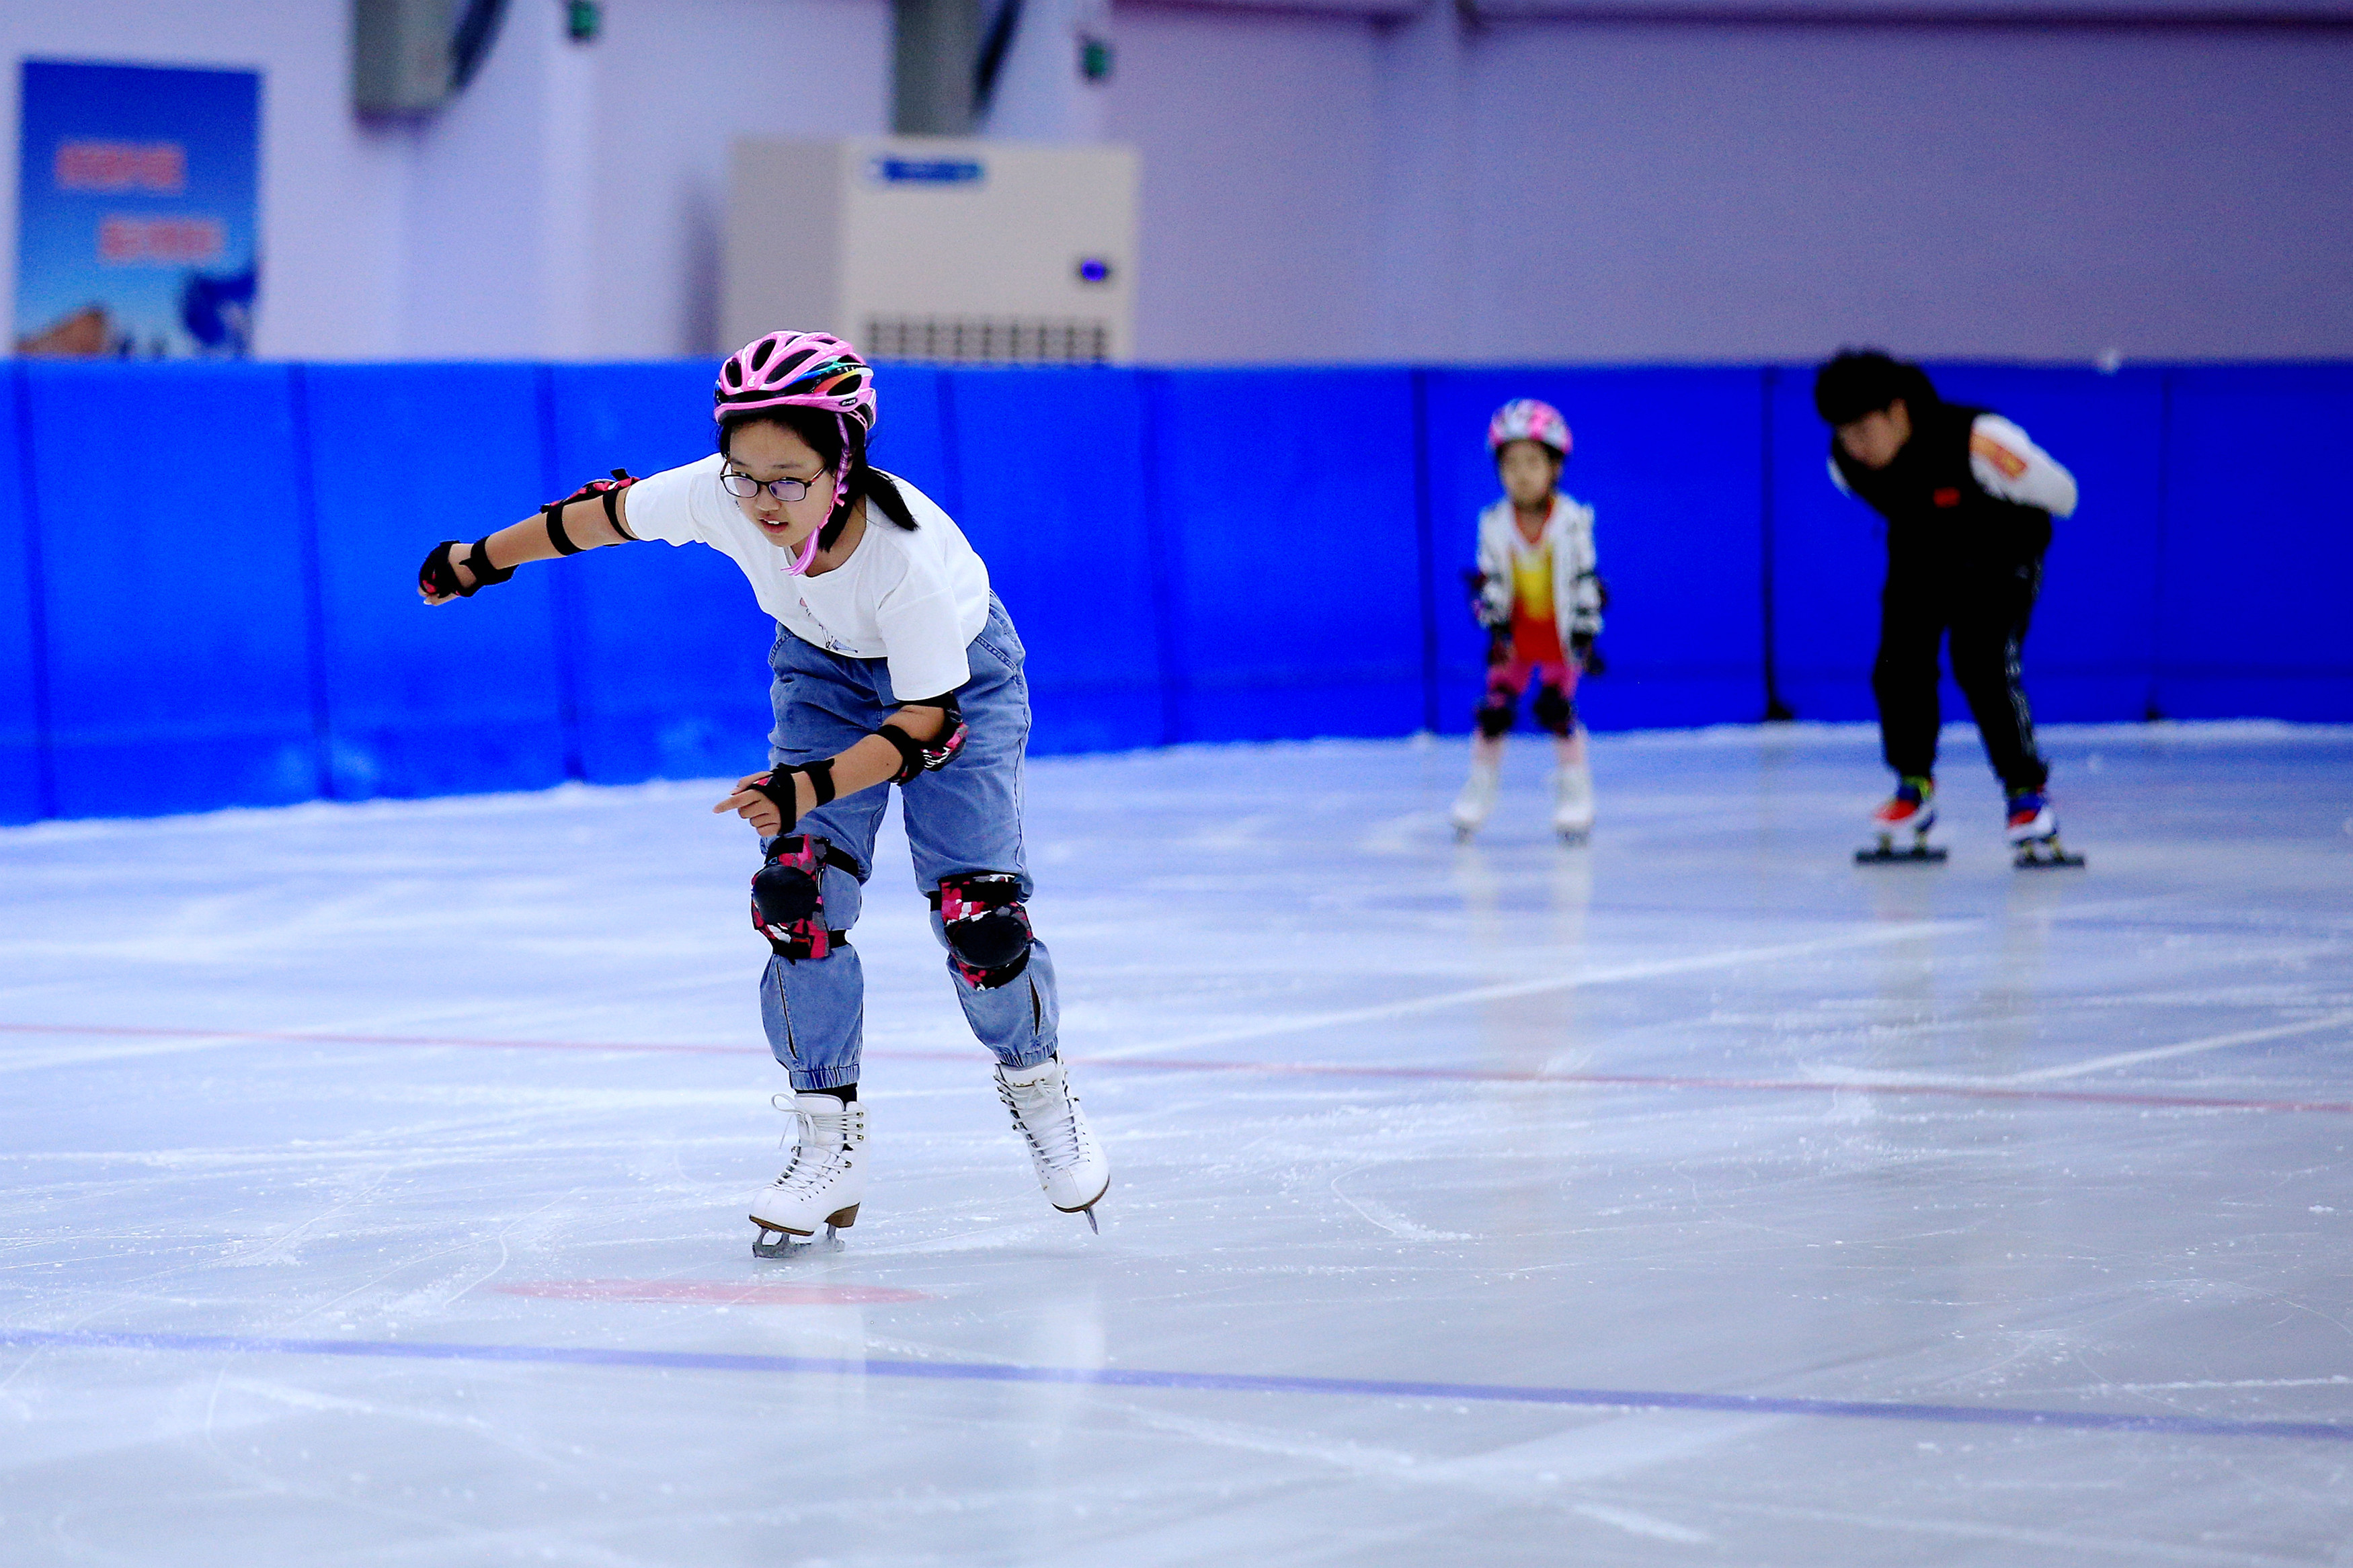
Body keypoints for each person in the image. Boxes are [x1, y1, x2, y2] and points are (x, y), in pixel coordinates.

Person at [417, 331, 1111, 1253]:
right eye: (745, 475)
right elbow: (596, 519)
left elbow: (923, 729)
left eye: (789, 478)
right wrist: (478, 558)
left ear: (844, 462)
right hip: (821, 671)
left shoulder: (903, 558)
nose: (762, 500)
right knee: (797, 897)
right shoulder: (719, 495)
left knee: (979, 917)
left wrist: (804, 788)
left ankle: (1039, 1087)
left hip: (955, 685)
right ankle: (829, 1140)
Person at [1813, 349, 2082, 866]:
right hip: (1922, 554)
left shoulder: (1979, 440)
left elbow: (2063, 494)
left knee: (1980, 659)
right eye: (1843, 432)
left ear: (1898, 411)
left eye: (1864, 430)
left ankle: (2026, 794)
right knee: (1898, 662)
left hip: (2002, 556)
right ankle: (1912, 785)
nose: (1855, 446)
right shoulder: (1844, 463)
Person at [1449, 399, 1605, 841]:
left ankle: (1576, 796)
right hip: (1515, 638)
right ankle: (1479, 789)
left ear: (1555, 467)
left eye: (1533, 462)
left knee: (1558, 712)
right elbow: (1491, 575)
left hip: (1558, 635)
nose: (1521, 474)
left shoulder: (1573, 520)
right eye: (1511, 463)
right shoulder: (1495, 522)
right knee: (1495, 711)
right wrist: (1490, 610)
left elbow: (1584, 576)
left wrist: (1586, 626)